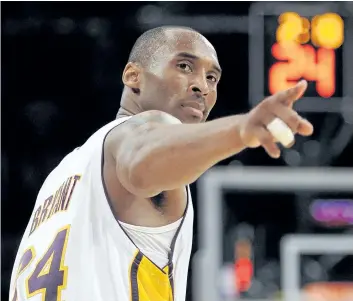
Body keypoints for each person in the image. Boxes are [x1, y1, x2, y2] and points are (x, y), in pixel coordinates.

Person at [9, 26, 313, 301]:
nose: (202, 87)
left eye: (212, 77)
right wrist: (240, 130)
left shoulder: (60, 177)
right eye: (184, 66)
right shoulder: (136, 133)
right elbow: (142, 156)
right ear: (133, 76)